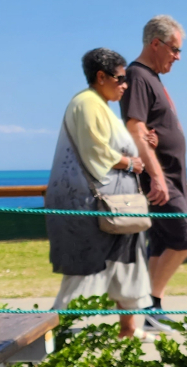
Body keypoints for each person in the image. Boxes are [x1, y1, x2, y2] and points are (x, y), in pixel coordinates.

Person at [45, 48, 152, 339]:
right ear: (100, 76)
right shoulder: (88, 103)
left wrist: (139, 146)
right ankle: (64, 334)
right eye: (120, 79)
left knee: (125, 263)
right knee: (86, 271)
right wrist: (131, 161)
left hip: (113, 203)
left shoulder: (99, 104)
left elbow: (113, 145)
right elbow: (97, 150)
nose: (125, 85)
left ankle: (130, 329)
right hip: (91, 204)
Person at [123, 15, 187, 325]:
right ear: (155, 43)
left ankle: (152, 311)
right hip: (160, 177)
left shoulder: (151, 77)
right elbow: (134, 127)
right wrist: (155, 176)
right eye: (174, 49)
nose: (178, 57)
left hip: (170, 175)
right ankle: (148, 306)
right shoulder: (137, 76)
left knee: (163, 243)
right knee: (185, 239)